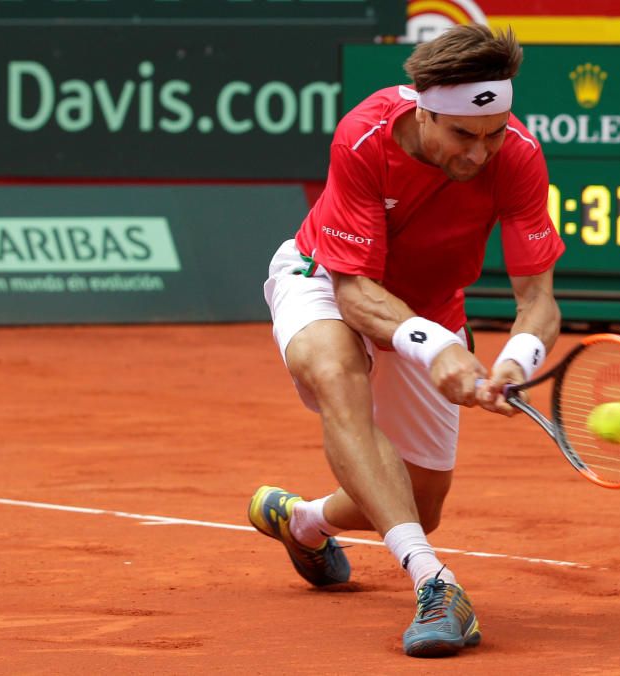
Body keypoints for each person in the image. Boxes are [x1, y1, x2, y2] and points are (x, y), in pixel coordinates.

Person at [249, 24, 564, 658]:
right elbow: (355, 294)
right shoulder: (365, 137)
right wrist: (437, 347)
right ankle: (434, 581)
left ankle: (301, 521)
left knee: (419, 501)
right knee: (337, 372)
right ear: (424, 112)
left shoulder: (520, 157)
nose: (480, 153)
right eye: (463, 135)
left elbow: (538, 302)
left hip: (433, 306)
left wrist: (512, 362)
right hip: (326, 277)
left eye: (495, 133)